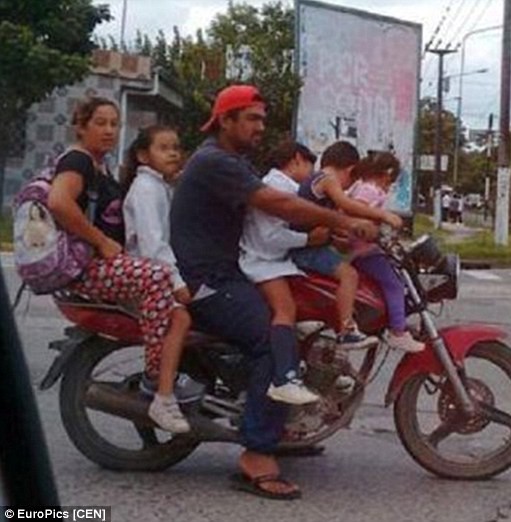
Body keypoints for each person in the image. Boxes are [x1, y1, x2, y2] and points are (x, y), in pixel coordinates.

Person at [170, 84, 377, 500]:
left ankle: (278, 421)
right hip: (207, 281)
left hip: (229, 271)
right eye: (252, 118)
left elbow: (278, 219)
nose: (260, 126)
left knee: (294, 322)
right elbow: (278, 205)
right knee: (273, 340)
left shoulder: (233, 161)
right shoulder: (215, 162)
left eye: (262, 119)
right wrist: (343, 221)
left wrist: (326, 236)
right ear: (225, 120)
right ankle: (257, 453)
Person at [47, 98, 203, 433]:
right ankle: (155, 381)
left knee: (180, 315)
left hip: (106, 265)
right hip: (86, 267)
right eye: (100, 123)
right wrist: (101, 241)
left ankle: (166, 391)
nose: (109, 130)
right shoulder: (78, 160)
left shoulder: (101, 166)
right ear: (81, 127)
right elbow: (58, 202)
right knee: (159, 276)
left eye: (114, 124)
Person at [121, 125, 202, 433]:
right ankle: (163, 394)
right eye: (164, 148)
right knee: (181, 318)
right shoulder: (145, 188)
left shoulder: (159, 186)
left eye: (176, 148)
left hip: (155, 273)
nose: (173, 154)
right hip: (146, 277)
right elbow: (153, 245)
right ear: (144, 155)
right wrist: (177, 283)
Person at [290, 141, 401, 349]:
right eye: (353, 181)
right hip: (306, 250)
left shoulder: (318, 182)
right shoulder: (327, 178)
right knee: (349, 275)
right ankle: (346, 330)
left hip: (309, 246)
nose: (350, 189)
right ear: (350, 170)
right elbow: (348, 205)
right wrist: (383, 215)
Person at [240, 140, 325, 405]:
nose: (311, 174)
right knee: (285, 309)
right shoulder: (279, 188)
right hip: (262, 261)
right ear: (297, 159)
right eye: (310, 166)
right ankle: (285, 378)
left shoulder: (281, 185)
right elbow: (270, 237)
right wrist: (308, 240)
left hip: (275, 260)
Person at [347, 152, 425, 353]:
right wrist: (383, 219)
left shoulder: (360, 186)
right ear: (385, 175)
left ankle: (394, 321)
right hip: (362, 251)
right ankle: (397, 331)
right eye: (390, 182)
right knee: (395, 284)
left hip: (361, 249)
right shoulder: (369, 190)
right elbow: (357, 212)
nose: (389, 187)